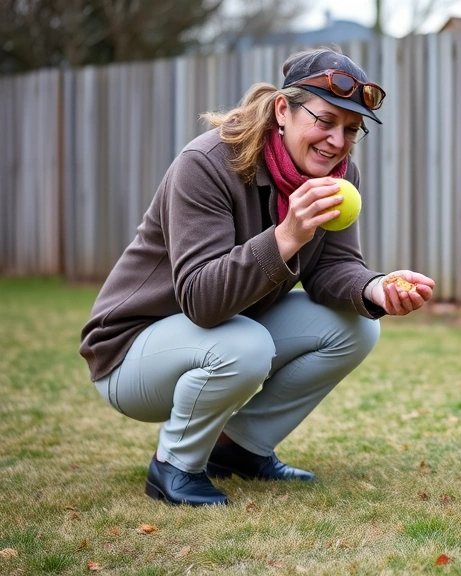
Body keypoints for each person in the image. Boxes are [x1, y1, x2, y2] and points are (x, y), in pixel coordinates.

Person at [79, 47, 434, 506]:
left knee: (357, 326)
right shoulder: (207, 164)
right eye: (325, 120)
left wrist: (374, 287)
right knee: (246, 344)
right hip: (131, 354)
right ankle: (175, 467)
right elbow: (202, 300)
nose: (337, 142)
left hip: (226, 335)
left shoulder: (338, 174)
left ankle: (240, 449)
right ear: (283, 110)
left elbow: (332, 269)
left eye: (351, 130)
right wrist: (288, 234)